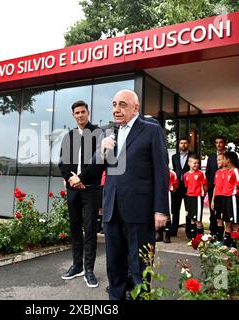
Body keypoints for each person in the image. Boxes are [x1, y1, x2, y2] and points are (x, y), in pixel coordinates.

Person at [99, 89, 169, 300]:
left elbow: (161, 171)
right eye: (113, 104)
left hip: (140, 210)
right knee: (115, 265)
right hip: (112, 210)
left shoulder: (150, 130)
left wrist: (161, 209)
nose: (116, 109)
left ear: (135, 108)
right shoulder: (109, 134)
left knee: (139, 267)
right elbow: (98, 171)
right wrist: (101, 152)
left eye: (122, 104)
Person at [59, 100, 104, 288]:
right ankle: (77, 266)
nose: (80, 115)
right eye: (76, 113)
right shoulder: (68, 136)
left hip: (90, 189)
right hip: (73, 190)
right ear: (73, 115)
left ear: (88, 112)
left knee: (91, 230)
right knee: (75, 229)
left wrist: (81, 178)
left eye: (83, 112)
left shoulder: (98, 133)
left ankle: (90, 270)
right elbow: (62, 161)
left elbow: (100, 162)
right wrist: (70, 178)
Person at [170, 138, 194, 238]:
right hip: (177, 186)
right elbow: (175, 170)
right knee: (175, 209)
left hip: (188, 186)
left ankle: (188, 231)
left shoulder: (192, 156)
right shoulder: (174, 156)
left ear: (188, 144)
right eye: (181, 143)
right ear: (179, 144)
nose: (183, 145)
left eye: (185, 143)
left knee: (188, 209)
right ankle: (173, 230)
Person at [221, 151, 239, 247]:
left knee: (234, 222)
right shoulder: (226, 171)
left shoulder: (236, 171)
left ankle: (236, 245)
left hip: (233, 198)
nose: (222, 161)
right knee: (226, 221)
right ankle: (226, 244)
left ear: (228, 160)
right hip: (225, 198)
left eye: (223, 159)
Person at [205, 135, 227, 237]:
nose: (219, 144)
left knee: (224, 212)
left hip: (225, 189)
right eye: (217, 142)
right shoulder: (211, 157)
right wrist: (208, 187)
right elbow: (208, 172)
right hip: (212, 188)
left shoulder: (229, 156)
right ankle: (213, 233)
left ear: (224, 143)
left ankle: (227, 234)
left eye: (221, 142)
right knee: (212, 210)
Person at [184, 154, 208, 240]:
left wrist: (202, 195)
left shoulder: (201, 174)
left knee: (198, 219)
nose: (196, 165)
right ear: (189, 163)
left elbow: (205, 186)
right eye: (194, 163)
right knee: (191, 219)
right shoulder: (186, 175)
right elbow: (187, 186)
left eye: (197, 163)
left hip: (197, 198)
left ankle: (201, 238)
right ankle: (193, 238)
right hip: (189, 197)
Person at [211, 153, 227, 242]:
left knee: (227, 220)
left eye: (220, 160)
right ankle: (219, 240)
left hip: (225, 198)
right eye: (217, 160)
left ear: (225, 160)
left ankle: (229, 240)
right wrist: (213, 200)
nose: (218, 162)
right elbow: (215, 187)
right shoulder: (217, 172)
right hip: (217, 198)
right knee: (218, 220)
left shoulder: (229, 172)